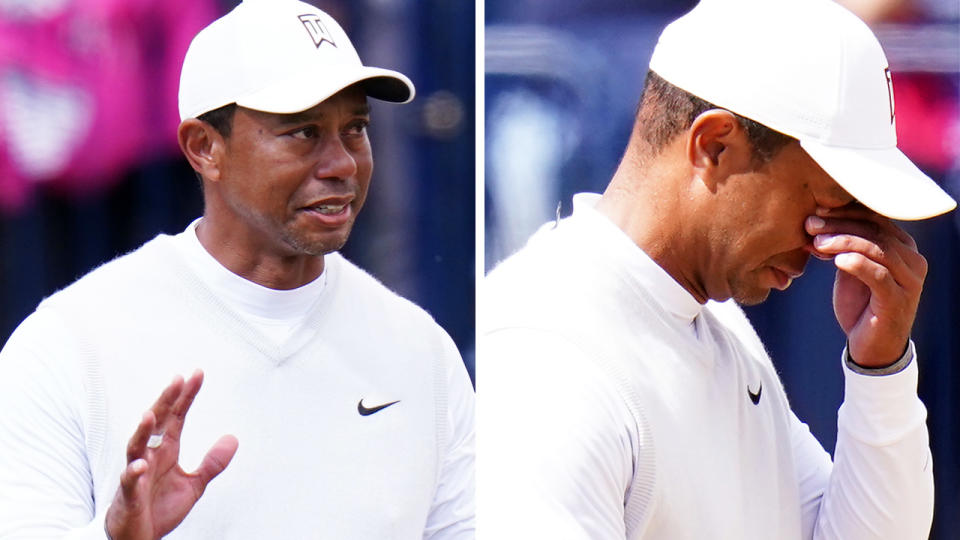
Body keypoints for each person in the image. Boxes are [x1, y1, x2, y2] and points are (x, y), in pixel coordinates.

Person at [479, 0, 955, 539]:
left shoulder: (719, 326)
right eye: (823, 204)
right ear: (715, 146)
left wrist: (881, 368)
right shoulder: (546, 359)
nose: (826, 245)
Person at [0, 1, 474, 538]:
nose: (342, 163)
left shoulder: (423, 352)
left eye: (356, 128)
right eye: (303, 132)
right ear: (205, 148)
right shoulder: (66, 345)